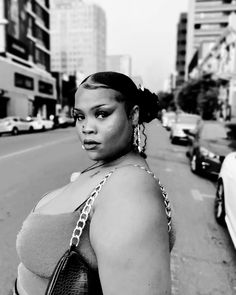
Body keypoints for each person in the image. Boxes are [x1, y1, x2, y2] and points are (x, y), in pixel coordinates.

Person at [14, 71, 175, 295]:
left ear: (134, 115)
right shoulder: (106, 169)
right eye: (80, 116)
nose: (87, 128)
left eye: (101, 114)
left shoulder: (130, 190)